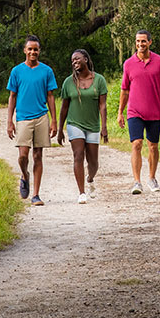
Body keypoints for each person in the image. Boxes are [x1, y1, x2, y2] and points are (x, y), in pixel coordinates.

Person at [5, 35, 59, 206]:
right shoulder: (17, 71)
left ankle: (36, 194)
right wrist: (9, 121)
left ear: (39, 51)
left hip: (41, 116)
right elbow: (12, 96)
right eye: (30, 49)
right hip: (23, 118)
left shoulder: (46, 71)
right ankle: (24, 175)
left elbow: (50, 97)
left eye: (35, 49)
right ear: (25, 51)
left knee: (38, 155)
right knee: (23, 156)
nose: (33, 52)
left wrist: (54, 121)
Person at [116, 30, 160, 195]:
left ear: (150, 42)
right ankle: (137, 182)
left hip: (154, 111)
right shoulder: (128, 63)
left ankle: (152, 178)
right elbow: (124, 90)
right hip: (135, 111)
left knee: (153, 146)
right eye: (138, 41)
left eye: (143, 41)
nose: (140, 44)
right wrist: (120, 112)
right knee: (136, 144)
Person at [55, 49, 108, 204]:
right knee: (78, 155)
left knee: (94, 163)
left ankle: (90, 178)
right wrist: (60, 129)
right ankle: (81, 192)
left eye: (77, 59)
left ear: (85, 59)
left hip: (93, 125)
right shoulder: (68, 82)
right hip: (74, 124)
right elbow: (64, 107)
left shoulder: (99, 80)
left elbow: (102, 105)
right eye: (72, 60)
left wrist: (104, 127)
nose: (74, 62)